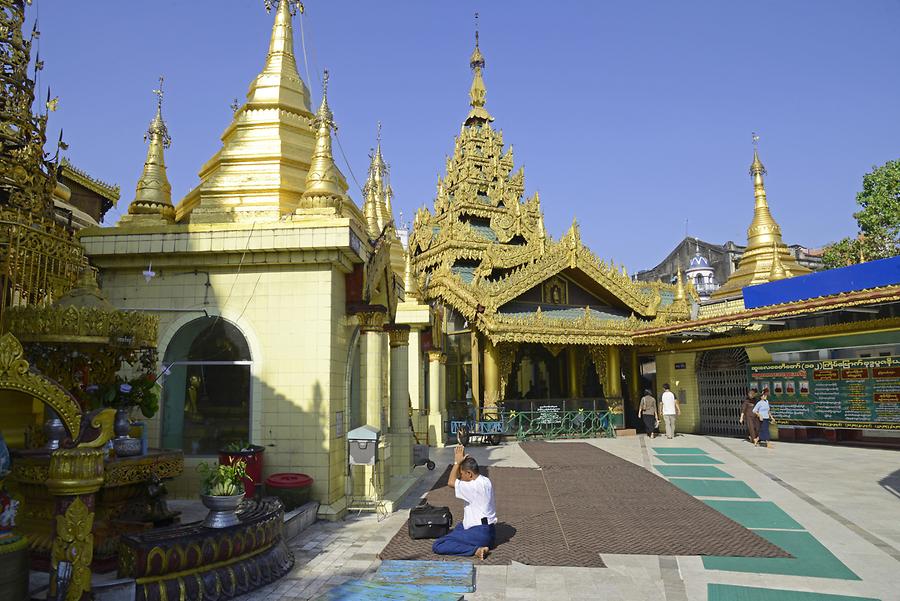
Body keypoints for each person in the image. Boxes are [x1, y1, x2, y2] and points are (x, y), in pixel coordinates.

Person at [432, 444, 497, 560]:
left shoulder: (473, 487)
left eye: (461, 475)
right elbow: (457, 478)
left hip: (480, 533)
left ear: (469, 474)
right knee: (458, 528)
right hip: (489, 531)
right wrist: (461, 463)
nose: (460, 478)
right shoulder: (485, 480)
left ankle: (476, 550)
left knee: (439, 545)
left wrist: (457, 463)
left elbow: (450, 482)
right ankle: (479, 545)